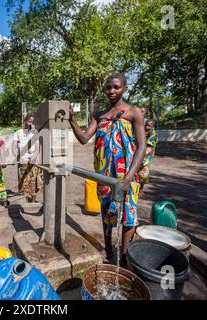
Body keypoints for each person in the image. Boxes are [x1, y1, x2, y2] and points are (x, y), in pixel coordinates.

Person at [68, 73, 146, 267]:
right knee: (106, 212)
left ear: (124, 88)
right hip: (104, 175)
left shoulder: (133, 113)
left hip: (127, 175)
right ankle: (109, 250)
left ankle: (124, 257)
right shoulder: (99, 116)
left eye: (116, 87)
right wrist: (71, 120)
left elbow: (142, 147)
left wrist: (128, 178)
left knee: (128, 214)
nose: (111, 91)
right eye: (108, 87)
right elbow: (84, 139)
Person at [13, 114, 43, 203]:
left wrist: (34, 158)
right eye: (29, 121)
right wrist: (19, 157)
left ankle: (33, 201)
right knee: (24, 182)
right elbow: (14, 147)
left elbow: (38, 148)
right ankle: (26, 201)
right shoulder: (18, 133)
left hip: (33, 160)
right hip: (23, 161)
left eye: (32, 122)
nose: (31, 123)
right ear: (25, 121)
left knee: (34, 181)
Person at [138, 119, 158, 195]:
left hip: (147, 153)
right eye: (146, 124)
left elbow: (150, 143)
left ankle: (141, 188)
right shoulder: (143, 130)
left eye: (149, 126)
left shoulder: (153, 133)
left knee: (144, 170)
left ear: (152, 126)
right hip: (142, 151)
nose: (146, 126)